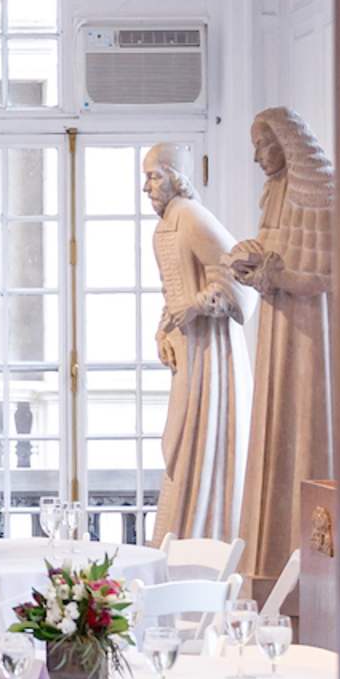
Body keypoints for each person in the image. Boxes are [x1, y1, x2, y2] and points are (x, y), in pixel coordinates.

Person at [222, 108, 336, 592]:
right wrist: (250, 263)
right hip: (278, 330)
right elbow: (275, 253)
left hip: (309, 336)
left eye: (262, 145)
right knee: (273, 433)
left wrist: (272, 275)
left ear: (286, 145)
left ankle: (300, 570)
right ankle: (267, 561)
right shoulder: (272, 191)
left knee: (304, 436)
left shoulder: (318, 195)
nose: (254, 156)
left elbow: (322, 275)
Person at [142, 142, 242, 545]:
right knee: (179, 441)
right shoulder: (166, 225)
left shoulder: (193, 217)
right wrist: (163, 331)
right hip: (187, 351)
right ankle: (177, 533)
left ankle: (198, 536)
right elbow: (172, 294)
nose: (145, 187)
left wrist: (198, 306)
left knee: (198, 437)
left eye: (152, 176)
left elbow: (238, 281)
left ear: (175, 177)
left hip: (209, 355)